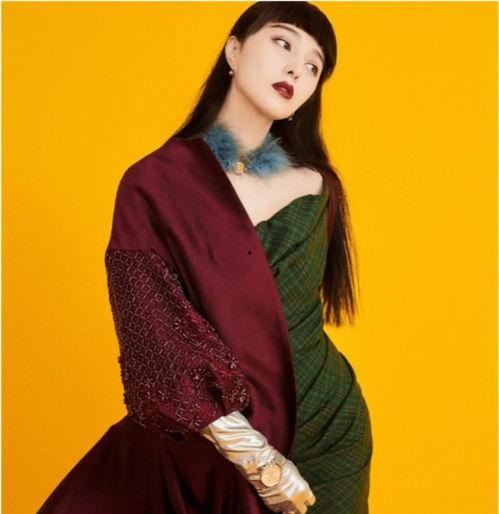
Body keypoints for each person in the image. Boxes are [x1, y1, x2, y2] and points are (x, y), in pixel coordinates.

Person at [37, 2, 373, 513]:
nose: (295, 69)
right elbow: (154, 337)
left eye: (313, 66)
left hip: (330, 428)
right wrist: (255, 457)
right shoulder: (156, 184)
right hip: (219, 440)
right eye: (283, 43)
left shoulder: (315, 187)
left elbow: (296, 317)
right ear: (233, 50)